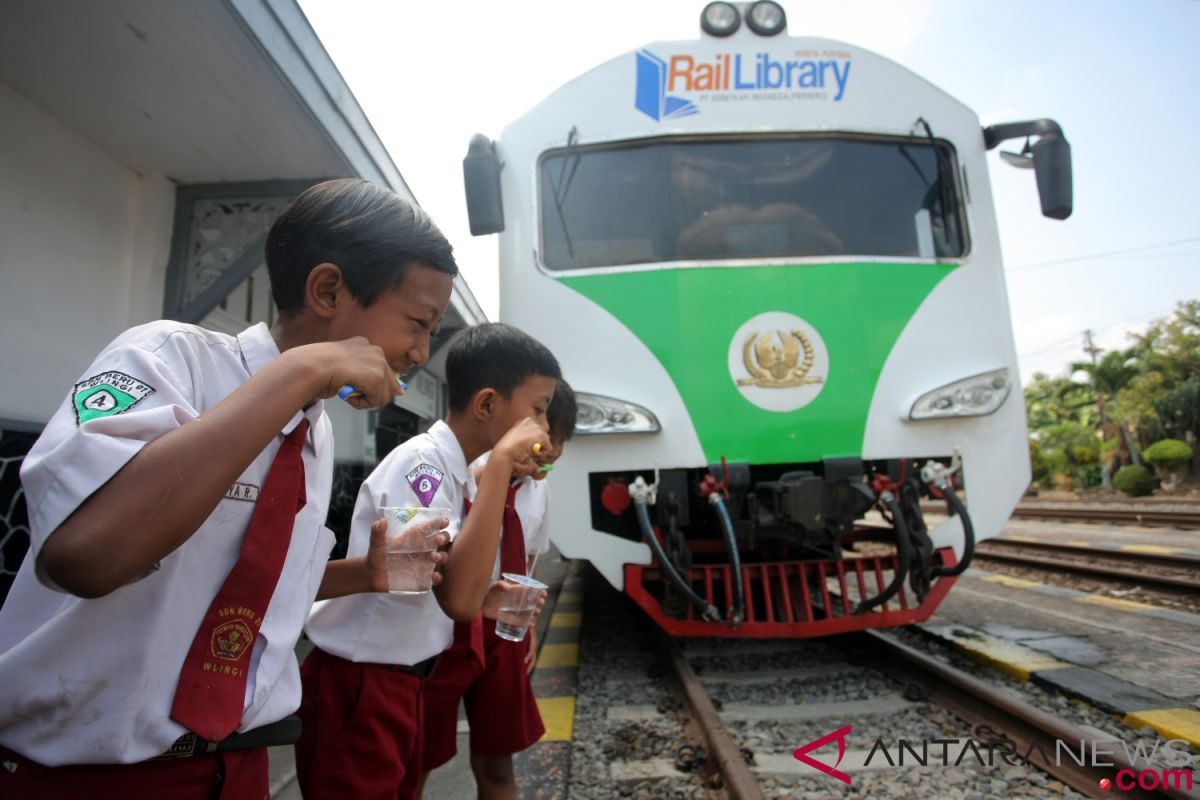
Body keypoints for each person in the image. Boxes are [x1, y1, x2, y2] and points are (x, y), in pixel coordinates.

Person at [0, 178, 458, 799]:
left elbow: (241, 587)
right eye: (418, 323)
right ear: (327, 290)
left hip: (236, 765)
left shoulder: (313, 436)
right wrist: (303, 368)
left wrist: (365, 572)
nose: (420, 352)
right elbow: (85, 555)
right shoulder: (168, 358)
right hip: (89, 775)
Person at [295, 323, 561, 800]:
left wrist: (486, 597)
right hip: (363, 684)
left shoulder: (454, 472)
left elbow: (441, 582)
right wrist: (500, 463)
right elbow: (458, 599)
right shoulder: (423, 467)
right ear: (486, 405)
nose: (542, 429)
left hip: (404, 678)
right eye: (538, 411)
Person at [418, 380, 577, 800]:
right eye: (548, 437)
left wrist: (530, 626)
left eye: (561, 441)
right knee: (418, 757)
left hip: (501, 631)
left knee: (497, 760)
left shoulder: (539, 490)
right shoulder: (471, 472)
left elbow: (529, 559)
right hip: (445, 630)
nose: (554, 451)